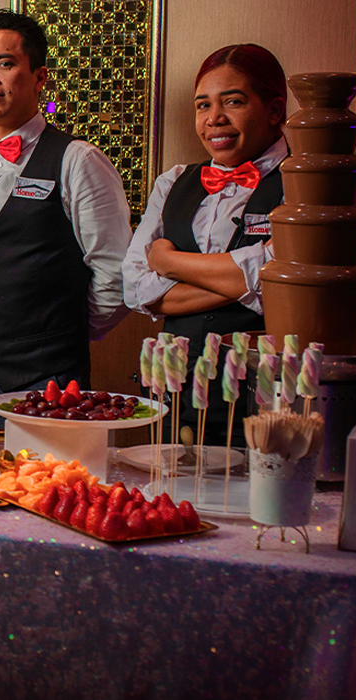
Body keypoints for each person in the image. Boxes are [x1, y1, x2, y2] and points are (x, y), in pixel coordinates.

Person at [0, 10, 129, 399]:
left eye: (4, 64)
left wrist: (61, 333)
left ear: (40, 77)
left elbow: (116, 274)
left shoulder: (79, 160)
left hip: (48, 376)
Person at [122, 44, 286, 444]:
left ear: (274, 110)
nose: (214, 118)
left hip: (262, 397)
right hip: (173, 391)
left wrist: (170, 263)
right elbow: (135, 288)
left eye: (233, 102)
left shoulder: (304, 184)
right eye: (203, 105)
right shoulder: (172, 181)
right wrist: (246, 278)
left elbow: (287, 283)